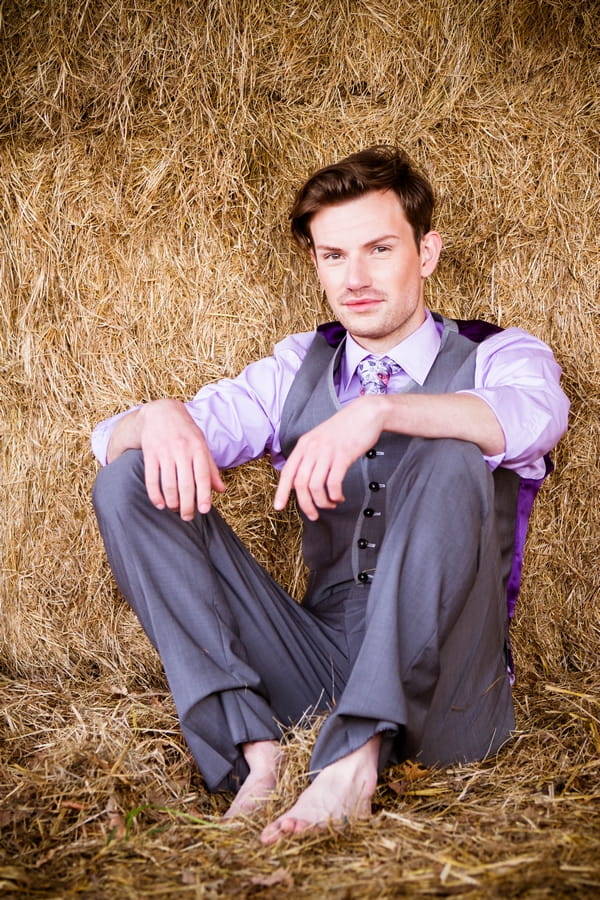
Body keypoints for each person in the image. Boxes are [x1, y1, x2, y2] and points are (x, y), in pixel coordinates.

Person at [91, 146, 569, 845]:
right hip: (317, 662)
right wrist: (158, 414)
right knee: (130, 476)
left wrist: (377, 412)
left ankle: (357, 760)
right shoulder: (297, 367)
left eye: (379, 249)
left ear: (426, 252)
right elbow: (120, 441)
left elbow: (530, 420)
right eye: (333, 255)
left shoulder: (499, 354)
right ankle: (255, 749)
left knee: (450, 450)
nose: (356, 278)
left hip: (449, 688)